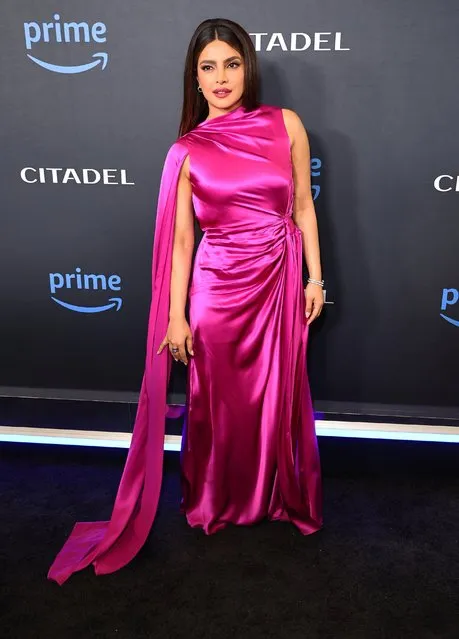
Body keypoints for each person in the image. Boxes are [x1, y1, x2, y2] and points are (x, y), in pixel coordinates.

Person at [48, 18, 324, 586]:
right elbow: (180, 242)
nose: (221, 78)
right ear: (194, 79)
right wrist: (175, 316)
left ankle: (274, 498)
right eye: (207, 67)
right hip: (217, 291)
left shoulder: (286, 125)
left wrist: (315, 280)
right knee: (218, 405)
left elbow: (303, 209)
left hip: (277, 283)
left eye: (230, 64)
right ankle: (215, 502)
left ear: (248, 66)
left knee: (274, 396)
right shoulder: (187, 150)